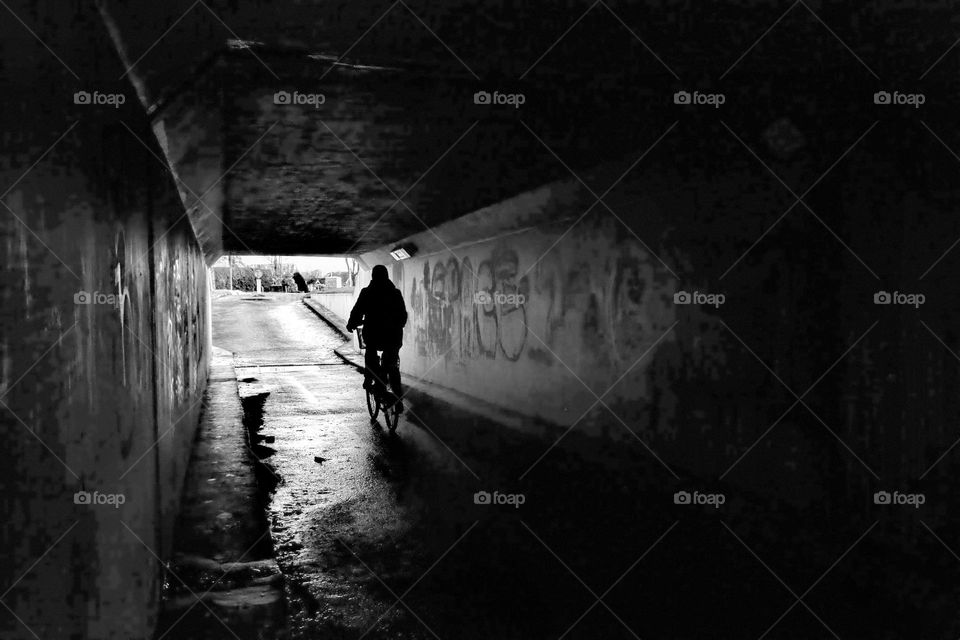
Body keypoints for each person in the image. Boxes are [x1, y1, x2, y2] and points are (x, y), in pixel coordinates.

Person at [346, 265, 408, 412]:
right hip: (393, 336)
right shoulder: (395, 293)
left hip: (374, 334)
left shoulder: (367, 292)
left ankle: (369, 379)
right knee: (392, 365)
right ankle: (398, 400)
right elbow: (403, 315)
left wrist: (352, 323)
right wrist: (397, 325)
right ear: (387, 276)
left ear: (373, 276)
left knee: (371, 354)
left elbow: (357, 311)